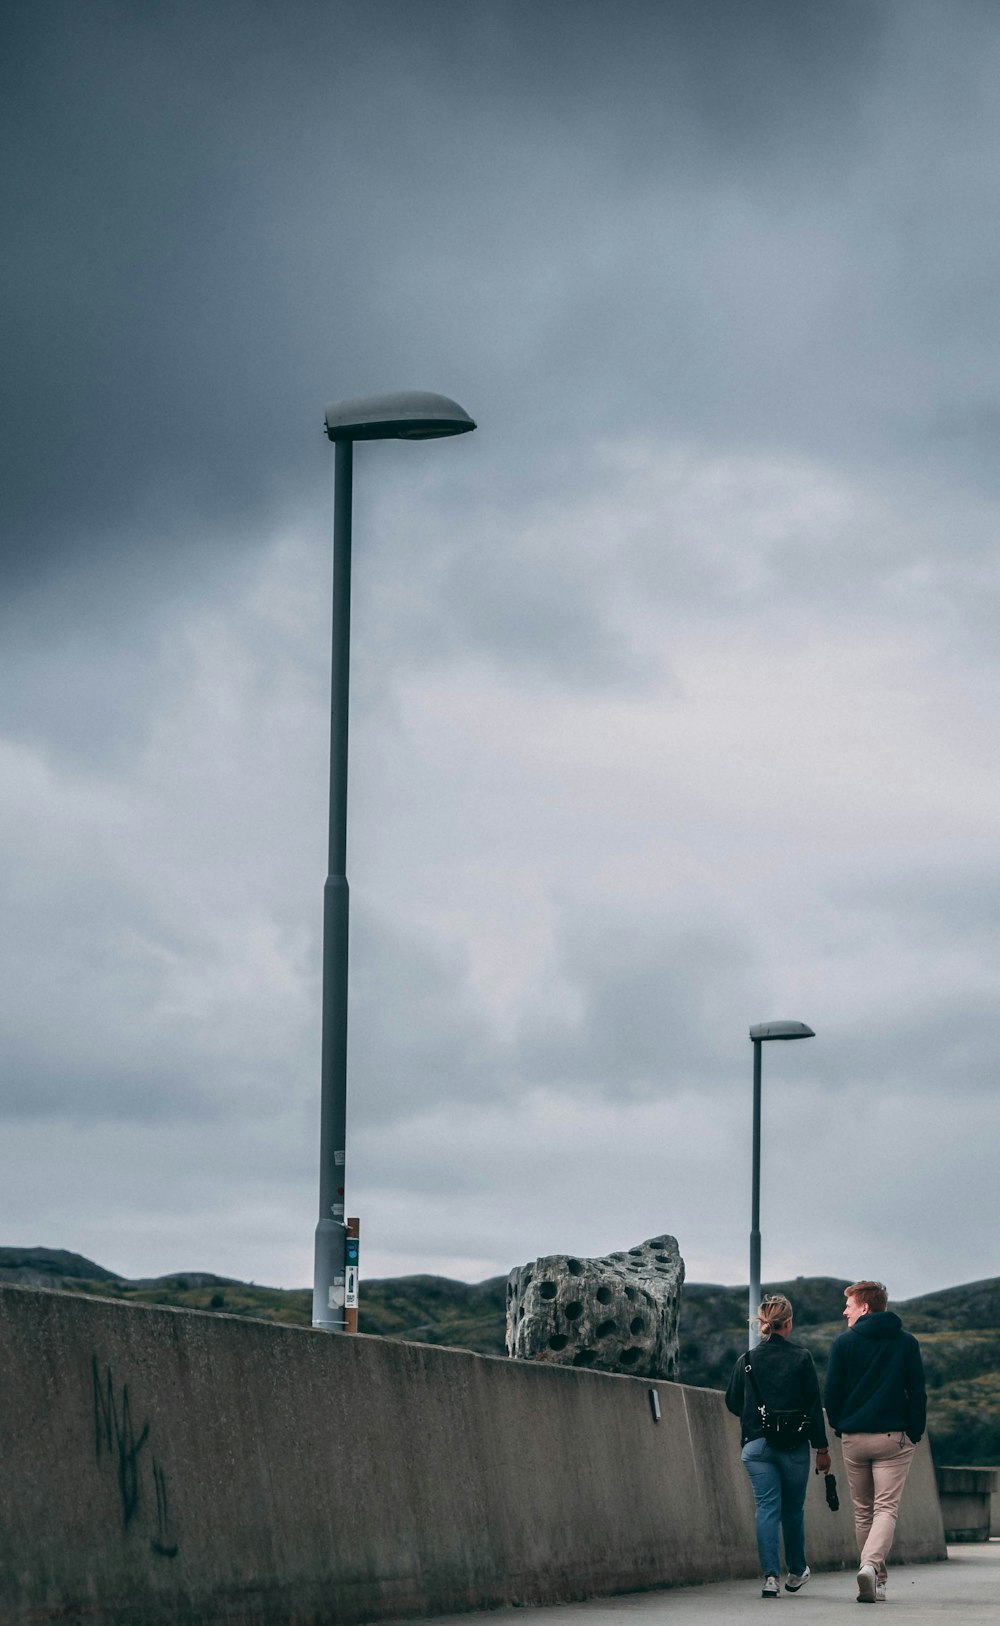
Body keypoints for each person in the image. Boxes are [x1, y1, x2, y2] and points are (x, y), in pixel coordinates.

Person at [823, 1280, 927, 1605]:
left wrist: (841, 1426)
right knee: (886, 1508)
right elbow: (917, 1392)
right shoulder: (906, 1343)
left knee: (863, 1512)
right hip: (892, 1438)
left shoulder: (843, 1344)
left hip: (854, 1438)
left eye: (849, 1305)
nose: (845, 1311)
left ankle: (875, 1580)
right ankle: (871, 1568)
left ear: (865, 1307)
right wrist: (914, 1431)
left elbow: (831, 1393)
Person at [726, 1295, 831, 1599]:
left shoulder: (745, 1361)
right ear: (789, 1323)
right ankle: (796, 1572)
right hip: (793, 1446)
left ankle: (770, 1577)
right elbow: (813, 1408)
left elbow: (733, 1403)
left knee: (766, 1509)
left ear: (764, 1324)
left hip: (756, 1446)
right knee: (792, 1510)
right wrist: (821, 1449)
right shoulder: (802, 1358)